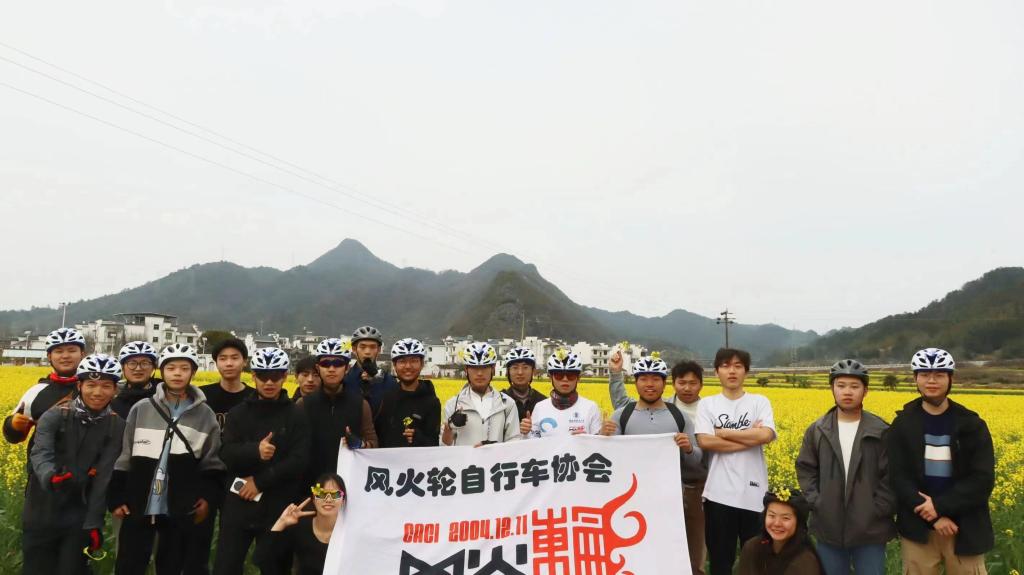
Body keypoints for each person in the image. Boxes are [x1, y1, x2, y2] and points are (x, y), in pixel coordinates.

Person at [108, 343, 226, 575]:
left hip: (180, 504)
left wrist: (207, 496)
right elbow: (126, 454)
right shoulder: (142, 408)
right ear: (161, 371)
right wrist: (117, 495)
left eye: (184, 368)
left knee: (171, 565)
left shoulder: (205, 415)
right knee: (129, 564)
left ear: (193, 372)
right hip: (138, 501)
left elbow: (212, 462)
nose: (177, 373)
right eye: (171, 368)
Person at [887, 348, 995, 575]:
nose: (932, 381)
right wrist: (934, 516)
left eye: (939, 374)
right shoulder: (902, 424)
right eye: (925, 374)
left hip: (965, 526)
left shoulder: (972, 425)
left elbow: (982, 479)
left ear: (950, 378)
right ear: (915, 379)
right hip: (918, 528)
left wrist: (940, 506)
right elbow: (898, 476)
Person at [23, 353, 125, 574]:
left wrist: (94, 522)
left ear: (115, 390)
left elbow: (104, 476)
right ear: (79, 386)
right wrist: (51, 476)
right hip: (42, 505)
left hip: (79, 510)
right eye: (91, 385)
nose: (97, 392)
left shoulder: (116, 425)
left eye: (106, 386)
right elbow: (40, 453)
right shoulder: (55, 415)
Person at [604, 354, 706, 575]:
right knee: (635, 554)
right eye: (643, 378)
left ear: (664, 382)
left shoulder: (679, 417)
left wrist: (689, 448)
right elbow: (608, 456)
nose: (649, 384)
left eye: (656, 379)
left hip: (671, 501)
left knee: (669, 554)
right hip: (631, 501)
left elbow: (697, 460)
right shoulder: (622, 415)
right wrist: (602, 436)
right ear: (635, 382)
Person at [213, 347, 310, 575]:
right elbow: (225, 453)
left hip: (278, 503)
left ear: (284, 376)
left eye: (275, 376)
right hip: (239, 501)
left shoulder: (296, 414)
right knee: (226, 566)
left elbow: (299, 459)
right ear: (253, 376)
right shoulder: (238, 413)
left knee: (275, 567)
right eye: (263, 376)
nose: (269, 382)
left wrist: (259, 482)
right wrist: (254, 451)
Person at [795, 359, 895, 575]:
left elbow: (892, 476)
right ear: (832, 388)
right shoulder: (817, 430)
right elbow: (805, 469)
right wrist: (817, 502)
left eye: (854, 386)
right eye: (841, 385)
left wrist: (878, 508)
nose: (847, 392)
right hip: (828, 526)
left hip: (870, 528)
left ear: (865, 391)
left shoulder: (881, 431)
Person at [694, 348, 776, 575]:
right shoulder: (707, 404)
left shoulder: (759, 402)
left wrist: (723, 433)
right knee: (720, 564)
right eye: (726, 366)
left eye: (738, 366)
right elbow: (705, 441)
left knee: (757, 564)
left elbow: (766, 435)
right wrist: (750, 438)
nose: (732, 371)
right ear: (716, 372)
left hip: (755, 495)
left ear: (746, 372)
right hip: (718, 495)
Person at [193, 336, 254, 573]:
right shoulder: (201, 396)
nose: (229, 363)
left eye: (234, 358)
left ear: (244, 362)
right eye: (223, 358)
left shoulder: (254, 397)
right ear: (215, 363)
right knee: (198, 539)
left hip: (239, 478)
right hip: (206, 476)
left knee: (232, 545)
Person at [300, 338, 377, 482]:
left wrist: (360, 445)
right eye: (325, 363)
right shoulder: (303, 404)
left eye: (337, 363)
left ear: (346, 368)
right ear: (318, 367)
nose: (331, 369)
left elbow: (373, 445)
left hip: (349, 482)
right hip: (311, 484)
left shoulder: (361, 404)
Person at [4, 327, 86, 448]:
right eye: (59, 351)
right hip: (42, 459)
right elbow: (14, 437)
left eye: (72, 350)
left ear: (82, 354)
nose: (65, 356)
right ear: (49, 356)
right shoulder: (36, 391)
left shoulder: (94, 389)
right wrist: (13, 425)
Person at [254, 473, 346, 575]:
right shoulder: (300, 527)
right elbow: (261, 558)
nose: (328, 499)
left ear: (343, 500)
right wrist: (281, 522)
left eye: (335, 494)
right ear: (313, 499)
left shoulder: (350, 535)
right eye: (321, 494)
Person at [441, 342, 519, 446]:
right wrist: (449, 428)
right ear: (466, 370)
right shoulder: (453, 404)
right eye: (474, 368)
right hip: (464, 457)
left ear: (493, 369)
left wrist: (494, 448)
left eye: (484, 367)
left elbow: (514, 441)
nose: (479, 373)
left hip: (496, 457)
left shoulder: (507, 404)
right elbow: (444, 445)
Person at [736, 491, 824, 575]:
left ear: (799, 523)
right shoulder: (752, 547)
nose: (777, 523)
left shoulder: (805, 561)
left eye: (785, 518)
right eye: (772, 516)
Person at [374, 338, 441, 448]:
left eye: (414, 361)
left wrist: (418, 438)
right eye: (402, 361)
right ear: (394, 365)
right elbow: (377, 436)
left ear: (422, 364)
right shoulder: (387, 397)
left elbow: (434, 444)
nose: (408, 366)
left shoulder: (432, 402)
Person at [520, 349, 601, 438]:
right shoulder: (540, 407)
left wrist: (591, 438)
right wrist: (526, 433)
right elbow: (533, 442)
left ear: (578, 378)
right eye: (559, 375)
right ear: (550, 378)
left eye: (571, 375)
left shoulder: (591, 407)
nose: (565, 379)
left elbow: (598, 444)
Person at [342, 325, 398, 415]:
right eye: (362, 347)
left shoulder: (389, 381)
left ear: (379, 350)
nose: (367, 352)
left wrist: (375, 381)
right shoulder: (344, 381)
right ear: (354, 349)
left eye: (372, 347)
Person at [111, 341, 162, 419]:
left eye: (144, 363)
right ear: (122, 367)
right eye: (132, 363)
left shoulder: (165, 397)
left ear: (153, 367)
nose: (138, 368)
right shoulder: (112, 402)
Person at [500, 347, 545, 421]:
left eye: (525, 367)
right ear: (508, 372)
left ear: (533, 371)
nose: (520, 372)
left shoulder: (542, 401)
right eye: (515, 368)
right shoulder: (499, 401)